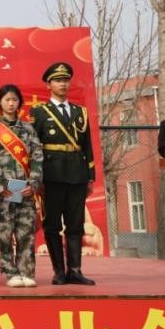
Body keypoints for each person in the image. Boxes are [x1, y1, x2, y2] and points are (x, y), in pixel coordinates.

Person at [30, 62, 96, 285]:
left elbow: (87, 146)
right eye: (58, 80)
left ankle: (75, 270)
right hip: (51, 176)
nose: (63, 84)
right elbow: (33, 148)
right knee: (52, 225)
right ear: (48, 85)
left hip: (77, 174)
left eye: (66, 80)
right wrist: (37, 179)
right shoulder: (39, 112)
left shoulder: (80, 112)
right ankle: (59, 271)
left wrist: (90, 176)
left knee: (75, 224)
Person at [0, 84, 43, 288]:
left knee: (26, 232)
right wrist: (1, 186)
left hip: (25, 189)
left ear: (19, 103)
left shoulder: (28, 130)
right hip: (4, 192)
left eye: (14, 99)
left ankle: (26, 271)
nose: (11, 103)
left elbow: (37, 158)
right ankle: (10, 272)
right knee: (5, 233)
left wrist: (33, 183)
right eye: (7, 99)